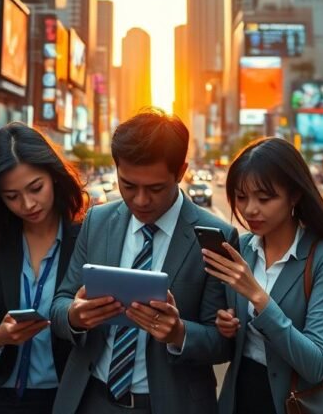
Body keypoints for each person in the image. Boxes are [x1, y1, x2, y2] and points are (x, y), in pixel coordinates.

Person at [50, 109, 236, 414]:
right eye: (128, 185)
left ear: (181, 171)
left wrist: (179, 333)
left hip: (171, 403)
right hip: (91, 398)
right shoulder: (97, 221)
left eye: (155, 188)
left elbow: (223, 342)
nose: (140, 200)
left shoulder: (216, 236)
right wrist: (75, 316)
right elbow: (59, 303)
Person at [201, 138, 323, 414]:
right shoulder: (243, 249)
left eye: (264, 198)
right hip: (240, 395)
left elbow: (317, 363)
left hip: (298, 401)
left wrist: (259, 298)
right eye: (241, 197)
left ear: (295, 195)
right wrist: (227, 326)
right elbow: (232, 339)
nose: (250, 209)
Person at [0, 123, 84, 414]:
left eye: (36, 188)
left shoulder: (85, 236)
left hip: (70, 397)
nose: (28, 204)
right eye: (12, 196)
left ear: (54, 177)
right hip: (2, 400)